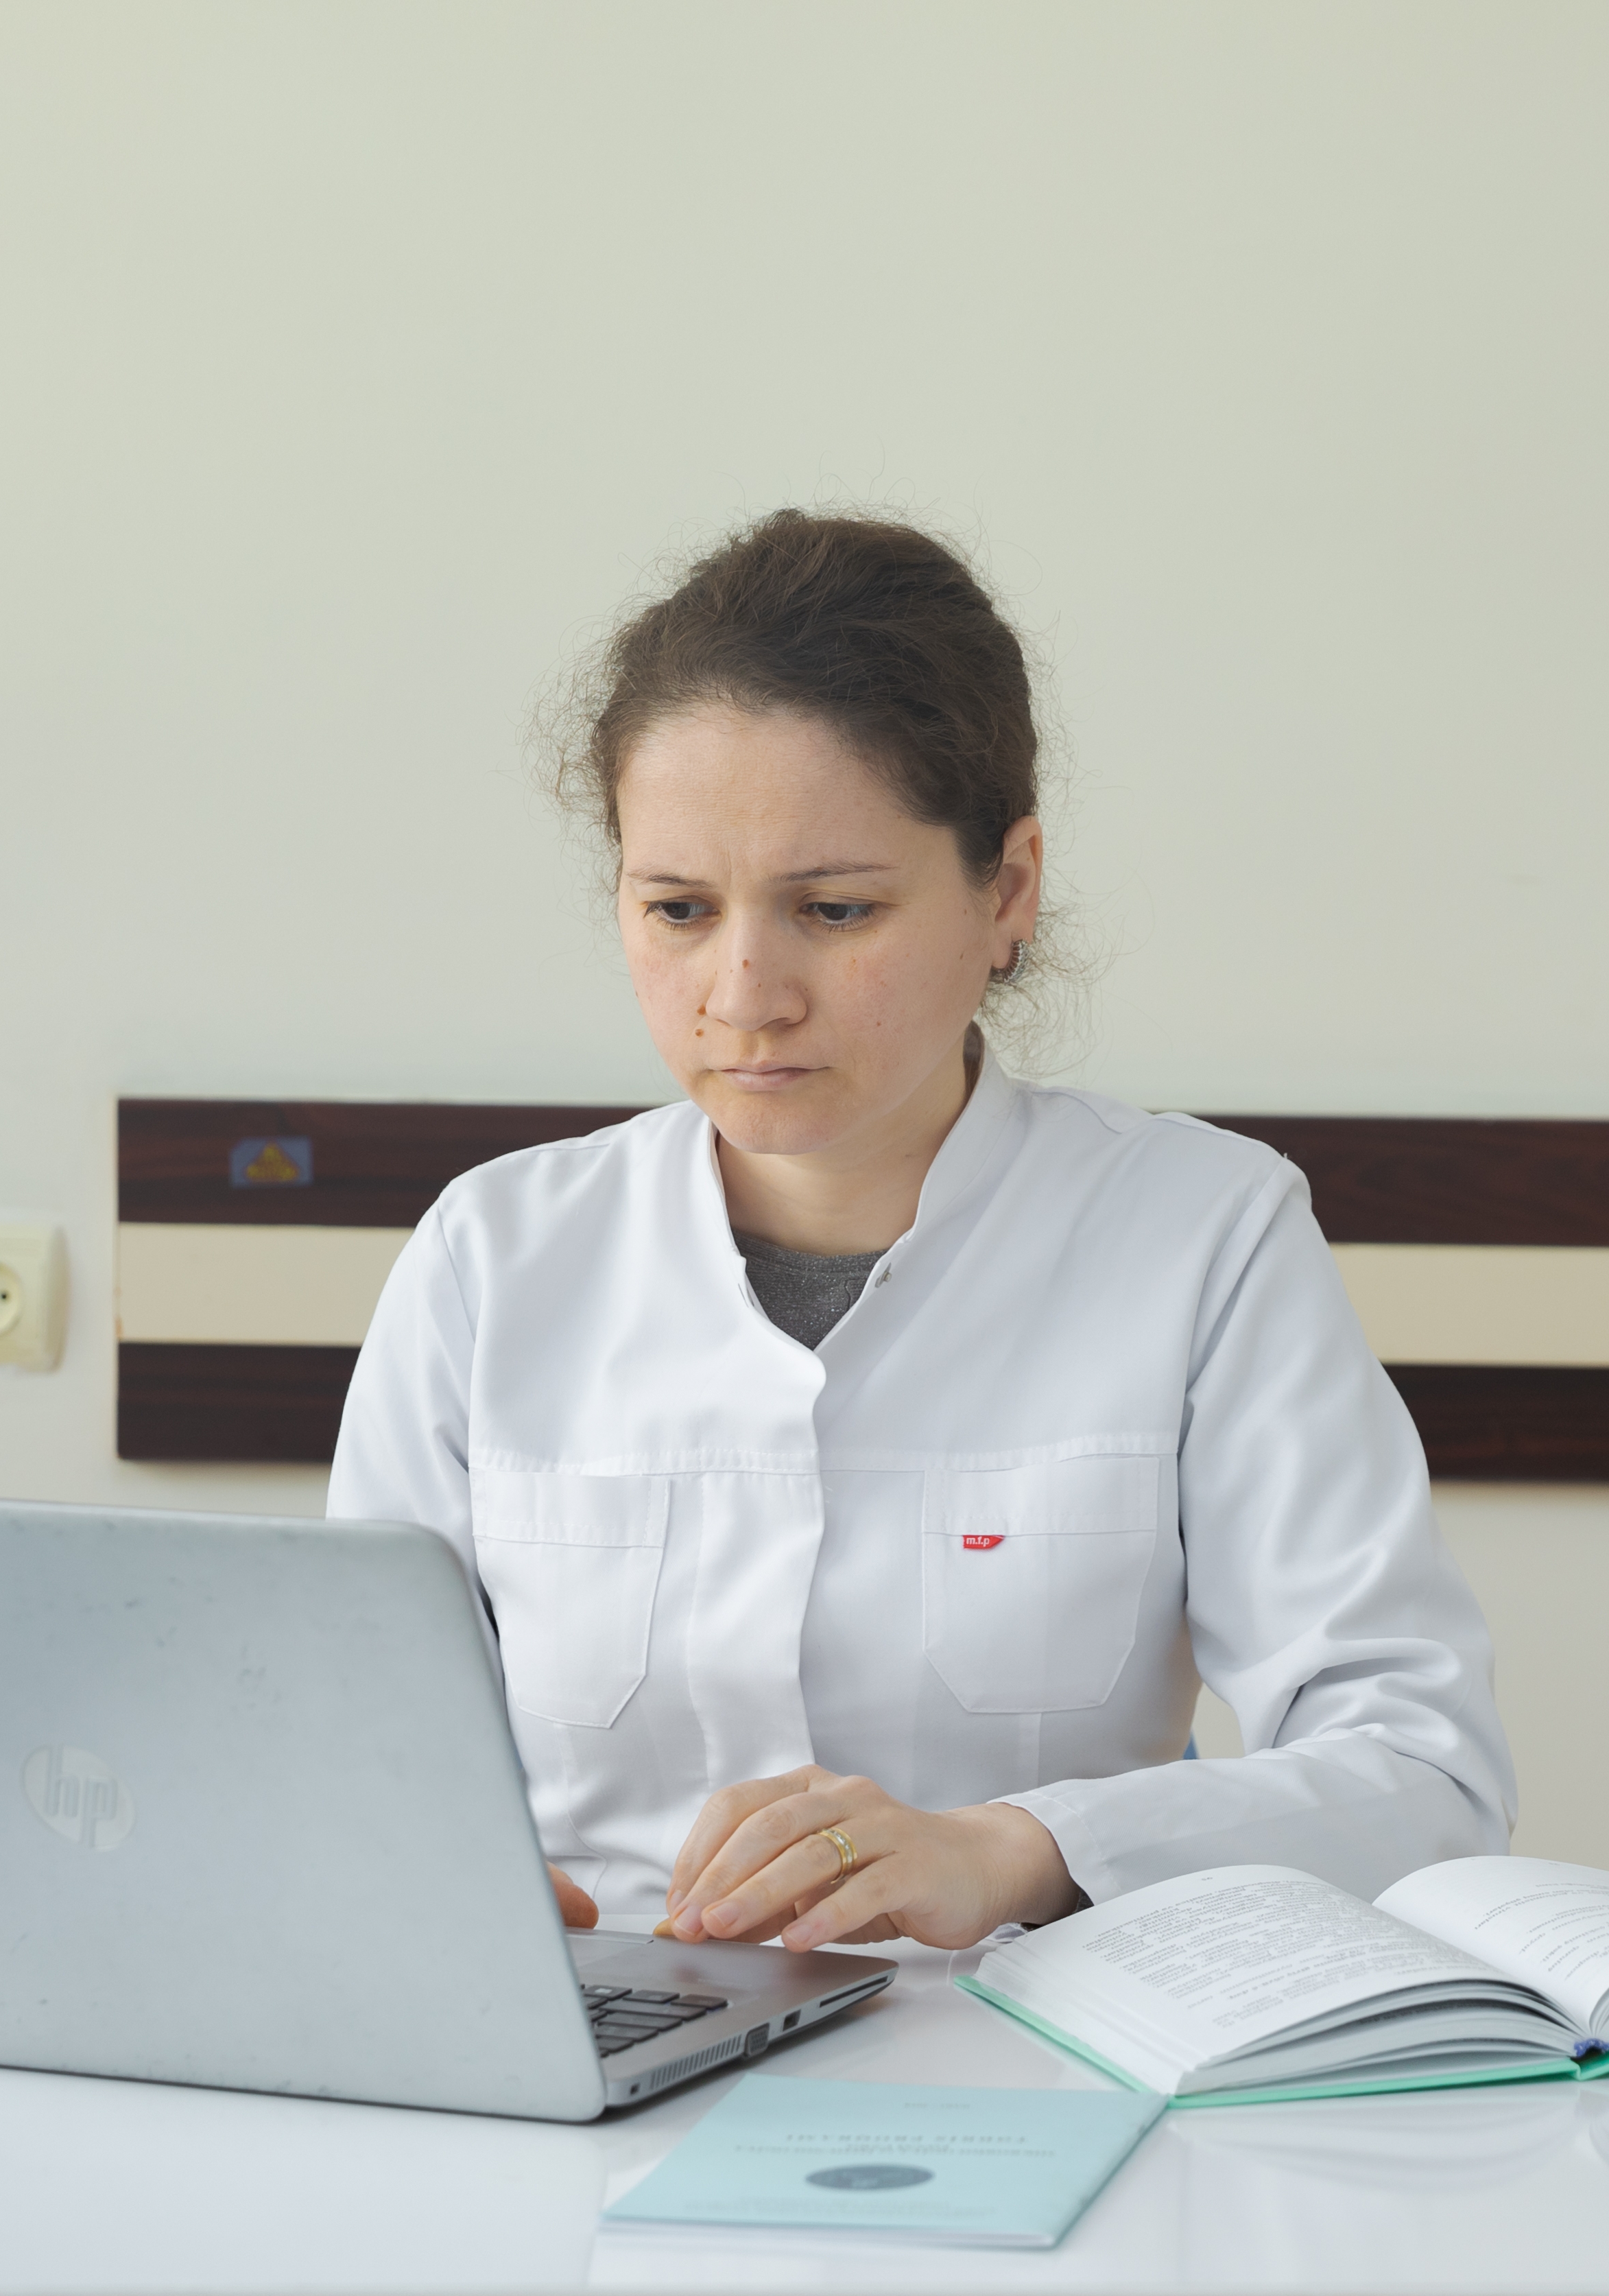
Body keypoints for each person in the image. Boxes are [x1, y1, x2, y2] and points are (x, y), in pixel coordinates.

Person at [329, 510, 1513, 1953]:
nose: (744, 995)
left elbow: (1424, 1773)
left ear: (1004, 892)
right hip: (591, 2047)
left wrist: (1010, 1852)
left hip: (1036, 2043)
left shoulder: (1204, 1237)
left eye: (833, 911)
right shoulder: (490, 1260)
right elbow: (347, 1755)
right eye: (678, 909)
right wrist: (443, 1873)